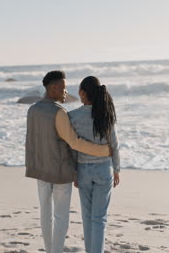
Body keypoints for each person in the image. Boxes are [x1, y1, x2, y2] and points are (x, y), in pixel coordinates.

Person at [25, 70, 111, 253]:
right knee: (61, 216)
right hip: (61, 172)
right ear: (53, 88)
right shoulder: (59, 113)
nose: (66, 92)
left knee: (45, 213)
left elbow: (31, 141)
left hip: (40, 170)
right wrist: (104, 150)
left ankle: (50, 250)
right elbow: (74, 142)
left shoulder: (32, 110)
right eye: (63, 88)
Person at [69, 76, 120, 253]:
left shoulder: (73, 116)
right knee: (99, 219)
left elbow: (73, 147)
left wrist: (75, 172)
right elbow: (114, 144)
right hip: (104, 169)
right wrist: (117, 169)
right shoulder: (105, 114)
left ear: (83, 93)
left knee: (87, 217)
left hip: (83, 170)